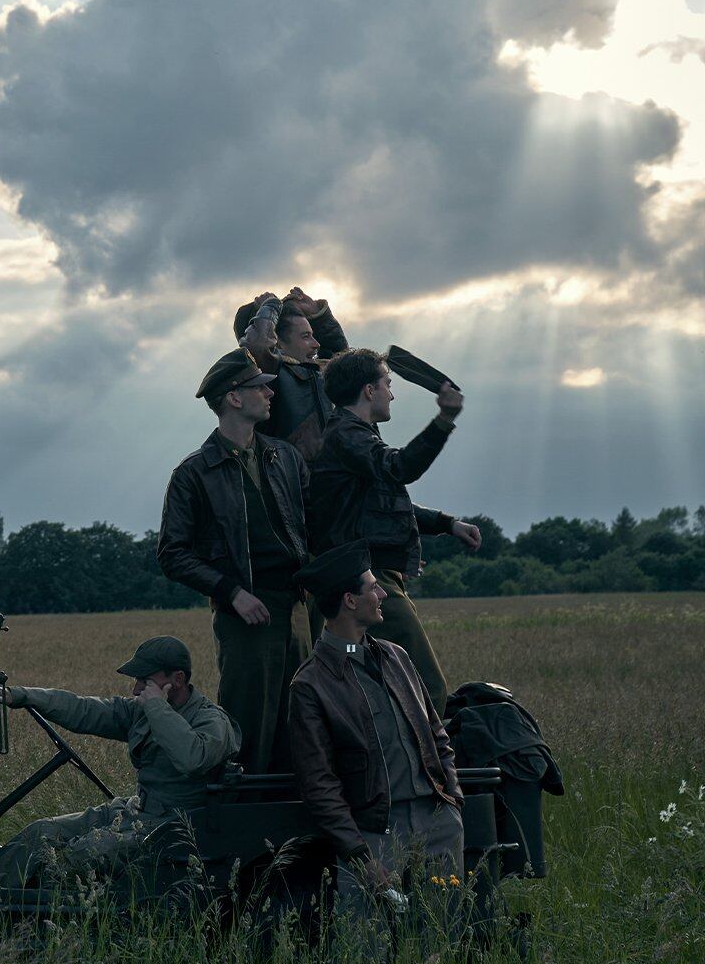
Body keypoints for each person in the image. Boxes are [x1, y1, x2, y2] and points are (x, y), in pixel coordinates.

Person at [288, 540, 465, 925]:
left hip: (436, 821)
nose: (383, 593)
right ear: (350, 601)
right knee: (368, 946)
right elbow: (319, 784)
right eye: (373, 587)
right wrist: (359, 855)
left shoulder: (396, 656)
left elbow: (437, 734)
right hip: (374, 834)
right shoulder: (310, 685)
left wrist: (451, 802)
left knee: (442, 936)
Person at [157, 348, 311, 772]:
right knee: (249, 730)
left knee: (301, 723)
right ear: (234, 398)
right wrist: (232, 592)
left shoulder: (285, 457)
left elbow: (314, 526)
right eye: (260, 387)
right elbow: (172, 554)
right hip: (246, 616)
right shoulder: (193, 473)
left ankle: (295, 813)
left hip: (298, 607)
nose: (270, 393)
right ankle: (243, 812)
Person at [0, 636, 240, 887]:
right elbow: (83, 709)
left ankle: (19, 903)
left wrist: (157, 708)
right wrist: (18, 695)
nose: (136, 689)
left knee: (77, 857)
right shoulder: (144, 709)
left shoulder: (211, 720)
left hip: (171, 827)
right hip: (134, 810)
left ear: (178, 679)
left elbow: (193, 758)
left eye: (145, 681)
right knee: (41, 832)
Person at [308, 348, 481, 701]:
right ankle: (430, 740)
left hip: (370, 574)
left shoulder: (355, 436)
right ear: (369, 390)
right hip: (368, 578)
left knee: (381, 679)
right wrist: (444, 420)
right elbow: (400, 468)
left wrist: (447, 524)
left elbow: (383, 502)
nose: (392, 394)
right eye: (387, 384)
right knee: (426, 685)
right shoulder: (347, 435)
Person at [242, 288, 350, 460]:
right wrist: (271, 307)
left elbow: (344, 364)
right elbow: (258, 348)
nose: (317, 344)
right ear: (278, 343)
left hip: (335, 475)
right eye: (306, 336)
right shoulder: (269, 377)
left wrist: (319, 316)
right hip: (297, 476)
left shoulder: (318, 373)